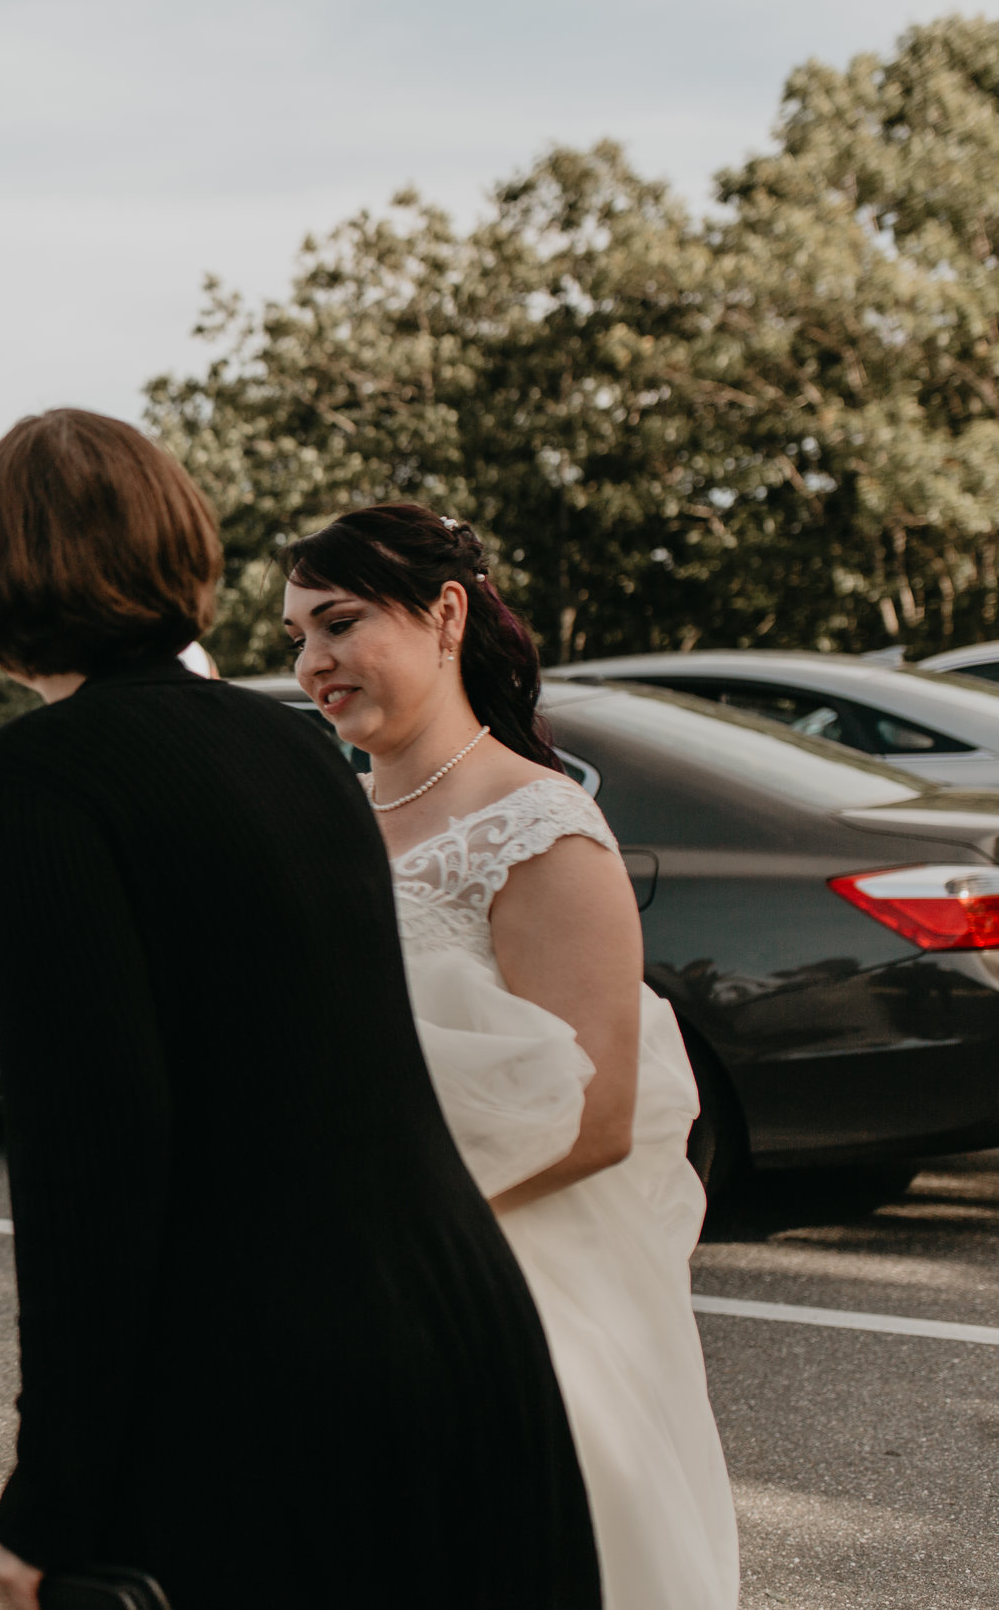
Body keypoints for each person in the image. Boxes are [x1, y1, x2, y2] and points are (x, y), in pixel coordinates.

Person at [0, 409, 599, 1610]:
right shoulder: (294, 745)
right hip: (461, 1328)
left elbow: (91, 1158)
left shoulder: (39, 775)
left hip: (272, 1382)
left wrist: (43, 1502)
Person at [282, 503, 737, 1609]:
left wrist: (391, 1235)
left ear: (443, 615)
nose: (312, 664)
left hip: (505, 1286)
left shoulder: (541, 827)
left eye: (338, 624)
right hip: (350, 1281)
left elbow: (596, 1116)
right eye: (296, 637)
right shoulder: (328, 816)